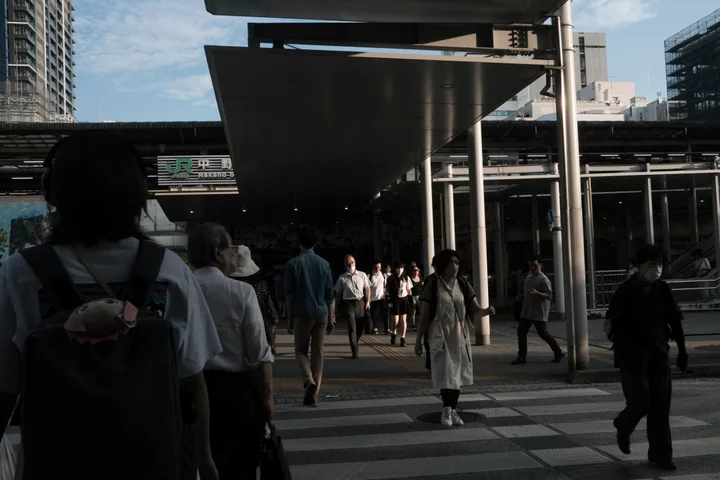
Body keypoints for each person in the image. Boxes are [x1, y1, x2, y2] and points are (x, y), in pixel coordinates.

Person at [0, 131, 222, 480]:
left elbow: (6, 383)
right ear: (139, 191)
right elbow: (192, 380)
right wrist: (205, 459)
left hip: (55, 462)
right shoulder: (169, 270)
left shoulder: (20, 272)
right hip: (154, 461)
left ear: (53, 191)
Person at [190, 225, 274, 479]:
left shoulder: (180, 289)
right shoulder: (242, 292)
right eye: (231, 248)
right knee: (240, 469)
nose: (234, 254)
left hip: (190, 395)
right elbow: (259, 354)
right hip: (235, 397)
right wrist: (268, 405)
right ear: (218, 253)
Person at [606, 244, 688, 471]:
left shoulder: (662, 289)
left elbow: (675, 320)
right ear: (639, 266)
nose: (657, 269)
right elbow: (614, 324)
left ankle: (661, 454)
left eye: (661, 265)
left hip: (659, 352)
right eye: (652, 265)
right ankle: (623, 424)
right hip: (631, 355)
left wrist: (682, 350)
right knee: (641, 399)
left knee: (661, 405)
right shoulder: (624, 291)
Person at [415, 249, 495, 427]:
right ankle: (447, 409)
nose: (455, 266)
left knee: (458, 374)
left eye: (457, 263)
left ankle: (452, 410)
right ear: (443, 265)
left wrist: (486, 311)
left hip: (459, 334)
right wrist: (419, 339)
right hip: (440, 334)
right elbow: (424, 315)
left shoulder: (463, 284)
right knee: (446, 373)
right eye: (451, 262)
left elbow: (475, 309)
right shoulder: (432, 285)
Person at [285, 227, 335, 406]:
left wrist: (289, 319)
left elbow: (289, 295)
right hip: (322, 313)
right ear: (315, 243)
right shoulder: (324, 264)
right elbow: (330, 294)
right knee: (318, 355)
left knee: (300, 351)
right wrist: (331, 317)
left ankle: (309, 381)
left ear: (299, 243)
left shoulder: (293, 264)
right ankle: (314, 395)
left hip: (303, 313)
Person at [511, 255, 565, 365]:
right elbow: (527, 292)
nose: (532, 268)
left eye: (534, 265)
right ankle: (522, 356)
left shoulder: (544, 279)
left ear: (540, 265)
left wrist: (538, 293)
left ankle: (558, 352)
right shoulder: (528, 278)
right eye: (530, 265)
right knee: (521, 332)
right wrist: (522, 296)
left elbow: (549, 295)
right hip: (527, 311)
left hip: (538, 312)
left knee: (543, 334)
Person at [232, 245, 280, 355]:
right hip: (258, 324)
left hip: (235, 326)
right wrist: (274, 318)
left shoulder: (228, 283)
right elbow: (268, 302)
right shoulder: (260, 282)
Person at [335, 254, 371, 359]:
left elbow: (367, 288)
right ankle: (354, 350)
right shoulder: (342, 278)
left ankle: (356, 341)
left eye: (352, 262)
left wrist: (368, 301)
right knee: (352, 327)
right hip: (348, 304)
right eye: (348, 263)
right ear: (345, 265)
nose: (351, 265)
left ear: (355, 263)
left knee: (360, 327)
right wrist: (336, 307)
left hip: (360, 302)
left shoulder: (362, 275)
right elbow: (337, 293)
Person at [387, 260, 413, 347]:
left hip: (404, 299)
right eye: (398, 268)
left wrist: (410, 302)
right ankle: (394, 333)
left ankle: (403, 338)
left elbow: (409, 290)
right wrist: (389, 300)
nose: (400, 269)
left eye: (401, 267)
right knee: (395, 320)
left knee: (403, 320)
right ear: (395, 268)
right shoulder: (391, 278)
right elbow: (388, 291)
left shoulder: (406, 278)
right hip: (395, 299)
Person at [369, 261, 387, 334]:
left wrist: (386, 295)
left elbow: (385, 286)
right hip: (372, 298)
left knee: (384, 314)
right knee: (373, 314)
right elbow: (367, 287)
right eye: (376, 267)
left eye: (379, 267)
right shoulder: (370, 275)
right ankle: (375, 328)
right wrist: (368, 298)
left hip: (381, 297)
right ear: (373, 267)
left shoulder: (383, 275)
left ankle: (386, 329)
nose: (377, 269)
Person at [408, 263, 424, 331]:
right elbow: (409, 289)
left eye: (417, 270)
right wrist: (410, 297)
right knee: (413, 312)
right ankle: (414, 325)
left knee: (421, 311)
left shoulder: (420, 278)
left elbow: (422, 286)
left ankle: (421, 324)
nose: (416, 271)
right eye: (415, 270)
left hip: (420, 296)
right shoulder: (410, 279)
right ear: (412, 271)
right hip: (413, 296)